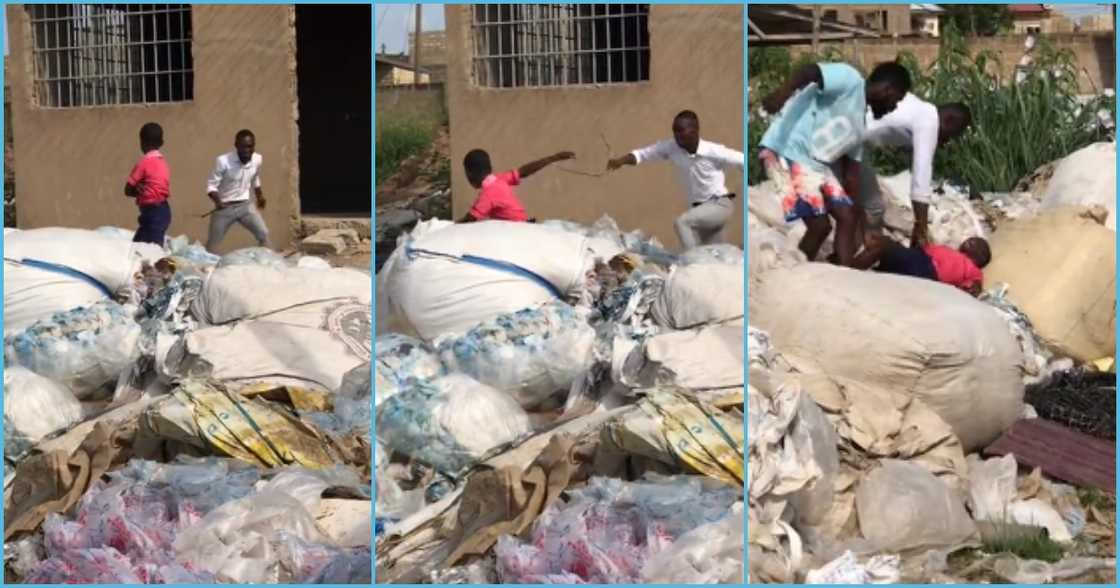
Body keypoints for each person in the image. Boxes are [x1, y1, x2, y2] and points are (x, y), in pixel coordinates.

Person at [758, 61, 910, 266]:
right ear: (887, 89)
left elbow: (852, 175)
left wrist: (858, 219)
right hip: (786, 151)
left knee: (848, 216)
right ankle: (794, 271)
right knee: (820, 226)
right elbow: (810, 71)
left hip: (815, 166)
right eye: (896, 100)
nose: (893, 107)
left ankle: (843, 272)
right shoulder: (851, 80)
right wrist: (782, 94)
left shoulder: (859, 127)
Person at [843, 95, 972, 247]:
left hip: (847, 132)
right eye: (950, 135)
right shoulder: (929, 124)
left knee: (862, 202)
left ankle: (854, 248)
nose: (946, 142)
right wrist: (921, 228)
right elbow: (920, 181)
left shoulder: (916, 105)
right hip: (849, 142)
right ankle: (857, 252)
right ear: (949, 121)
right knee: (872, 206)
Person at [606, 110, 743, 250]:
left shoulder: (713, 150)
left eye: (681, 130)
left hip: (719, 205)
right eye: (675, 131)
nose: (677, 135)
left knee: (682, 223)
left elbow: (742, 160)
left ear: (695, 130)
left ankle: (691, 259)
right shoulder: (671, 147)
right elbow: (642, 154)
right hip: (699, 211)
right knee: (714, 254)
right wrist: (620, 161)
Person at [854, 233, 991, 297]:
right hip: (918, 259)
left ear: (980, 259)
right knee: (882, 243)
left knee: (882, 246)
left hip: (927, 268)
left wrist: (974, 288)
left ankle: (848, 271)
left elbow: (975, 285)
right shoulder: (952, 252)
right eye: (972, 239)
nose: (971, 241)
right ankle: (853, 264)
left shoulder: (974, 270)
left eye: (977, 244)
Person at [459, 149, 574, 223]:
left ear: (470, 173)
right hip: (525, 225)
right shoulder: (498, 180)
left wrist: (450, 227)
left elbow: (469, 219)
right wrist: (554, 158)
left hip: (519, 232)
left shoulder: (488, 194)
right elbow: (524, 171)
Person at [205, 129, 271, 252]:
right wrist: (218, 202)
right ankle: (207, 263)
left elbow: (255, 177)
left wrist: (260, 196)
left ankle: (265, 260)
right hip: (224, 208)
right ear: (236, 146)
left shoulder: (257, 159)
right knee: (212, 246)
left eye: (250, 146)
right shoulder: (223, 161)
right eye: (243, 147)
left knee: (263, 233)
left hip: (245, 206)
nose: (247, 150)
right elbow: (211, 186)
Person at [124, 122, 172, 245]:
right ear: (161, 143)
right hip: (164, 211)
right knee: (144, 246)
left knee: (144, 249)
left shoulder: (144, 163)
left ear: (142, 142)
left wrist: (137, 190)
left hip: (152, 213)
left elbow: (127, 190)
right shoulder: (163, 163)